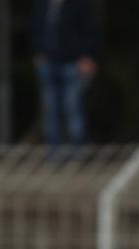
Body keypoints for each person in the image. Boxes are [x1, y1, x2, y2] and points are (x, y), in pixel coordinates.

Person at [31, 0, 99, 152]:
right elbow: (36, 28)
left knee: (73, 108)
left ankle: (76, 151)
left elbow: (90, 30)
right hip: (48, 63)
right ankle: (54, 152)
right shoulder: (42, 4)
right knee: (50, 110)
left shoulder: (80, 4)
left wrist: (87, 56)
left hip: (72, 64)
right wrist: (38, 53)